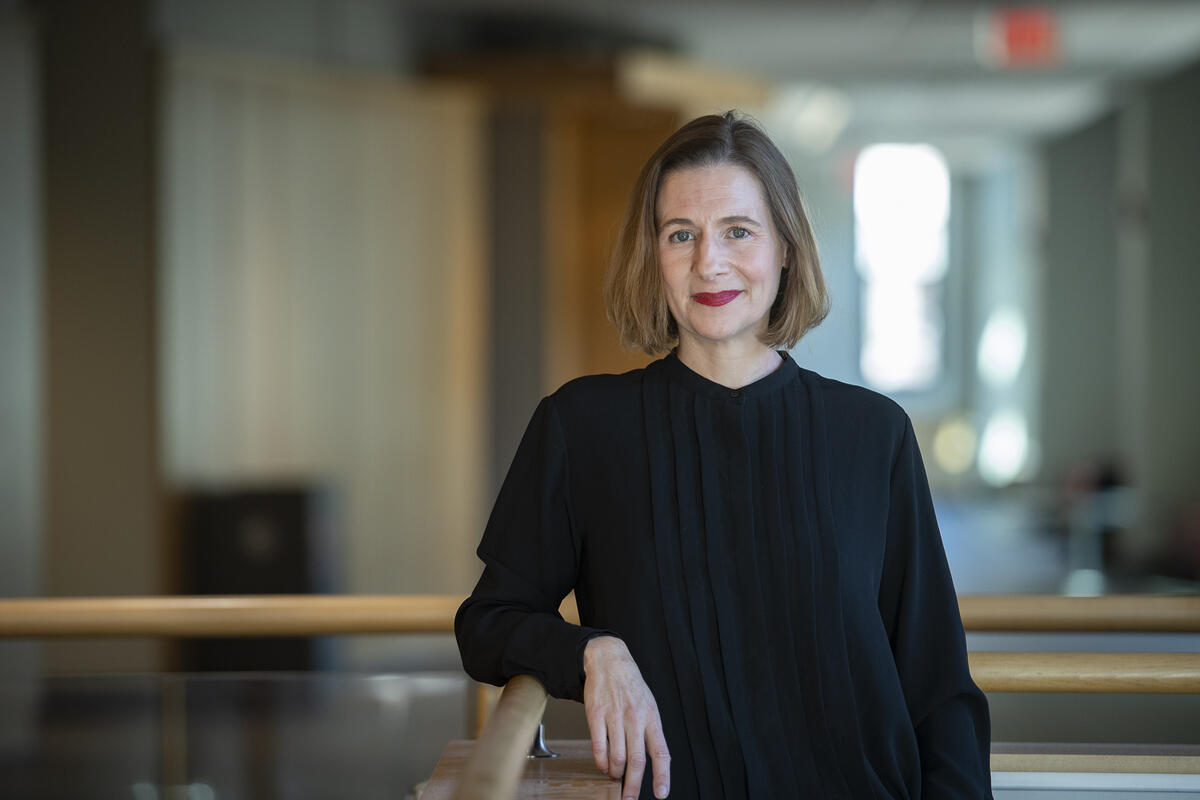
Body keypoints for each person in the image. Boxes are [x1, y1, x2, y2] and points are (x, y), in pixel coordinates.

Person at [456, 111, 992, 800]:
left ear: (786, 249)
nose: (709, 262)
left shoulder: (873, 433)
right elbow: (487, 624)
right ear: (653, 256)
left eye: (738, 231)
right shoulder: (583, 426)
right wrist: (591, 651)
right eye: (682, 235)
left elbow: (936, 686)